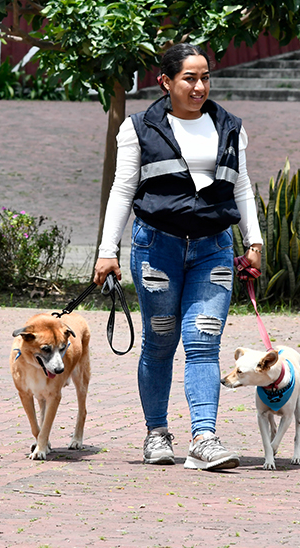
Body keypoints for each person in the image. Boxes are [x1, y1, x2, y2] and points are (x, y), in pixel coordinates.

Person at [93, 43, 263, 471]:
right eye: (190, 78)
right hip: (158, 248)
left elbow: (242, 186)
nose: (199, 87)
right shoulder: (138, 128)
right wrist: (107, 251)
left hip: (214, 248)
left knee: (204, 342)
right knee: (160, 342)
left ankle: (204, 438)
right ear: (165, 82)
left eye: (205, 77)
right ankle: (156, 434)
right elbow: (122, 189)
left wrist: (254, 243)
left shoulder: (230, 126)